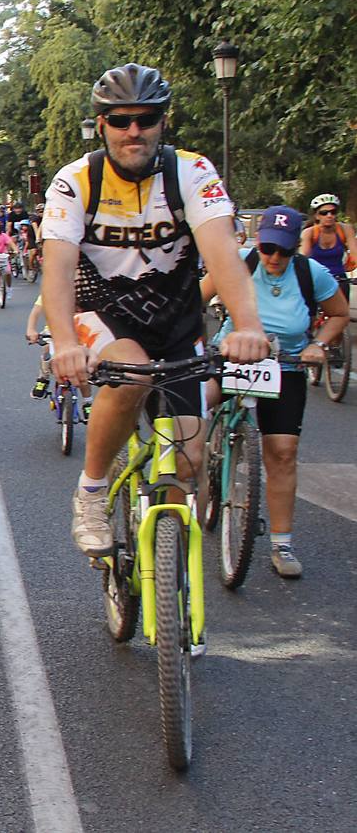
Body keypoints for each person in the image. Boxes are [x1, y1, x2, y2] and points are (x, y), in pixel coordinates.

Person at [40, 63, 269, 556]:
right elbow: (57, 270)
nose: (134, 131)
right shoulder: (74, 181)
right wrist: (62, 342)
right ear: (101, 125)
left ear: (164, 122)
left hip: (177, 319)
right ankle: (92, 492)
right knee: (133, 374)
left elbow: (223, 256)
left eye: (146, 119)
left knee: (187, 462)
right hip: (102, 312)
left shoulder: (191, 171)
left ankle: (167, 575)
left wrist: (248, 325)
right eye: (120, 121)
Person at [202, 206, 348, 577]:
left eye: (283, 250)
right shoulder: (237, 263)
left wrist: (319, 344)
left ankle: (282, 544)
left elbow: (339, 314)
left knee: (283, 451)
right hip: (234, 357)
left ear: (295, 247)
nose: (274, 258)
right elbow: (194, 302)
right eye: (268, 248)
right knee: (194, 410)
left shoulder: (309, 273)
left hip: (286, 366)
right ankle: (198, 467)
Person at [299, 193, 353, 300]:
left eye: (333, 212)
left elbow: (355, 255)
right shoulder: (309, 233)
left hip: (338, 278)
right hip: (316, 278)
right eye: (324, 213)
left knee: (342, 314)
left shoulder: (345, 229)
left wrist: (351, 266)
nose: (329, 215)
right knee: (310, 313)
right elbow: (303, 259)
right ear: (316, 215)